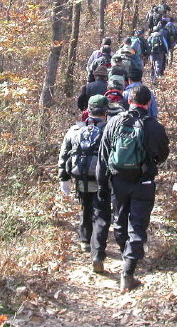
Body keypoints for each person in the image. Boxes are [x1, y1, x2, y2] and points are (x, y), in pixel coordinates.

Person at [95, 85, 169, 291]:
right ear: (148, 103)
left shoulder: (114, 123)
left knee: (119, 222)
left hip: (118, 181)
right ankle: (128, 271)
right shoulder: (155, 126)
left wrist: (102, 185)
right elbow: (163, 154)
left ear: (129, 101)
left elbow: (103, 157)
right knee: (137, 225)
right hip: (143, 182)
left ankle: (126, 254)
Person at [58, 95, 109, 253]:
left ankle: (85, 240)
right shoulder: (109, 130)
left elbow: (64, 154)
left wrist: (64, 178)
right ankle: (97, 249)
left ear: (88, 110)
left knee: (86, 207)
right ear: (105, 112)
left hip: (81, 177)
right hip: (102, 179)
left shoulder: (75, 130)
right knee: (100, 211)